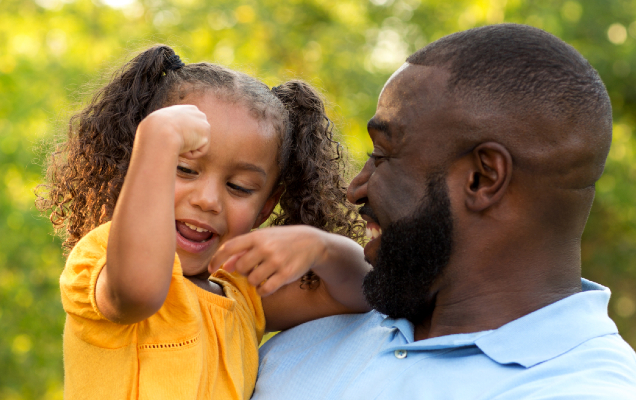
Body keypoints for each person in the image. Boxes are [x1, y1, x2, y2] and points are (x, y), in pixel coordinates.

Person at [245, 24, 636, 399]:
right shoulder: (318, 323)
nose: (355, 189)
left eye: (381, 156)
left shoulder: (580, 388)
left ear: (482, 179)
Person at [37, 45, 372, 399]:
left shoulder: (242, 296)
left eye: (239, 187)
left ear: (264, 209)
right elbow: (139, 290)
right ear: (134, 169)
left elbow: (362, 291)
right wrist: (156, 142)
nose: (208, 200)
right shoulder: (101, 261)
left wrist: (320, 247)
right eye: (183, 168)